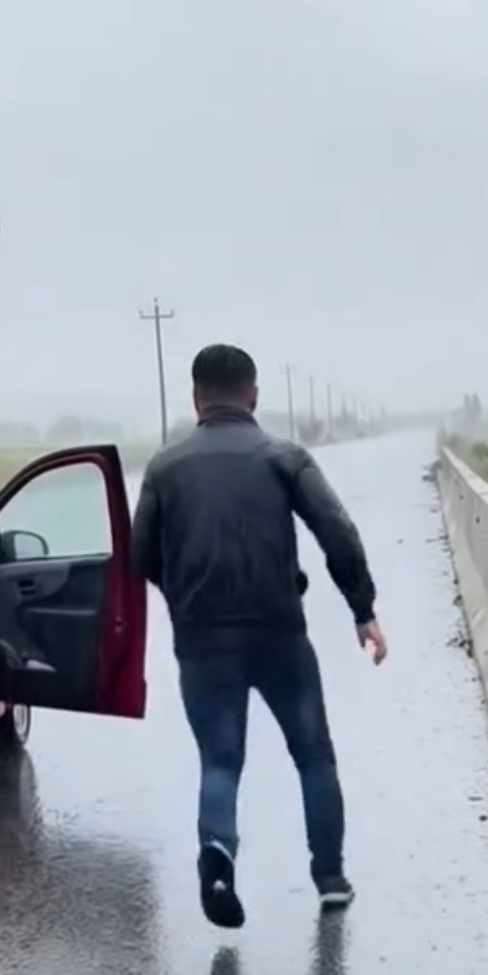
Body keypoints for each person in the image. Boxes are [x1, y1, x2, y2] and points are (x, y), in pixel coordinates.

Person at [130, 343, 387, 928]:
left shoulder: (165, 468)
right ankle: (330, 878)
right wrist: (362, 609)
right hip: (279, 636)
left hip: (203, 643)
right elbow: (337, 531)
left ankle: (218, 862)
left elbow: (140, 554)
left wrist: (181, 597)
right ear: (253, 396)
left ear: (196, 398)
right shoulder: (283, 457)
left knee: (220, 761)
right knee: (313, 755)